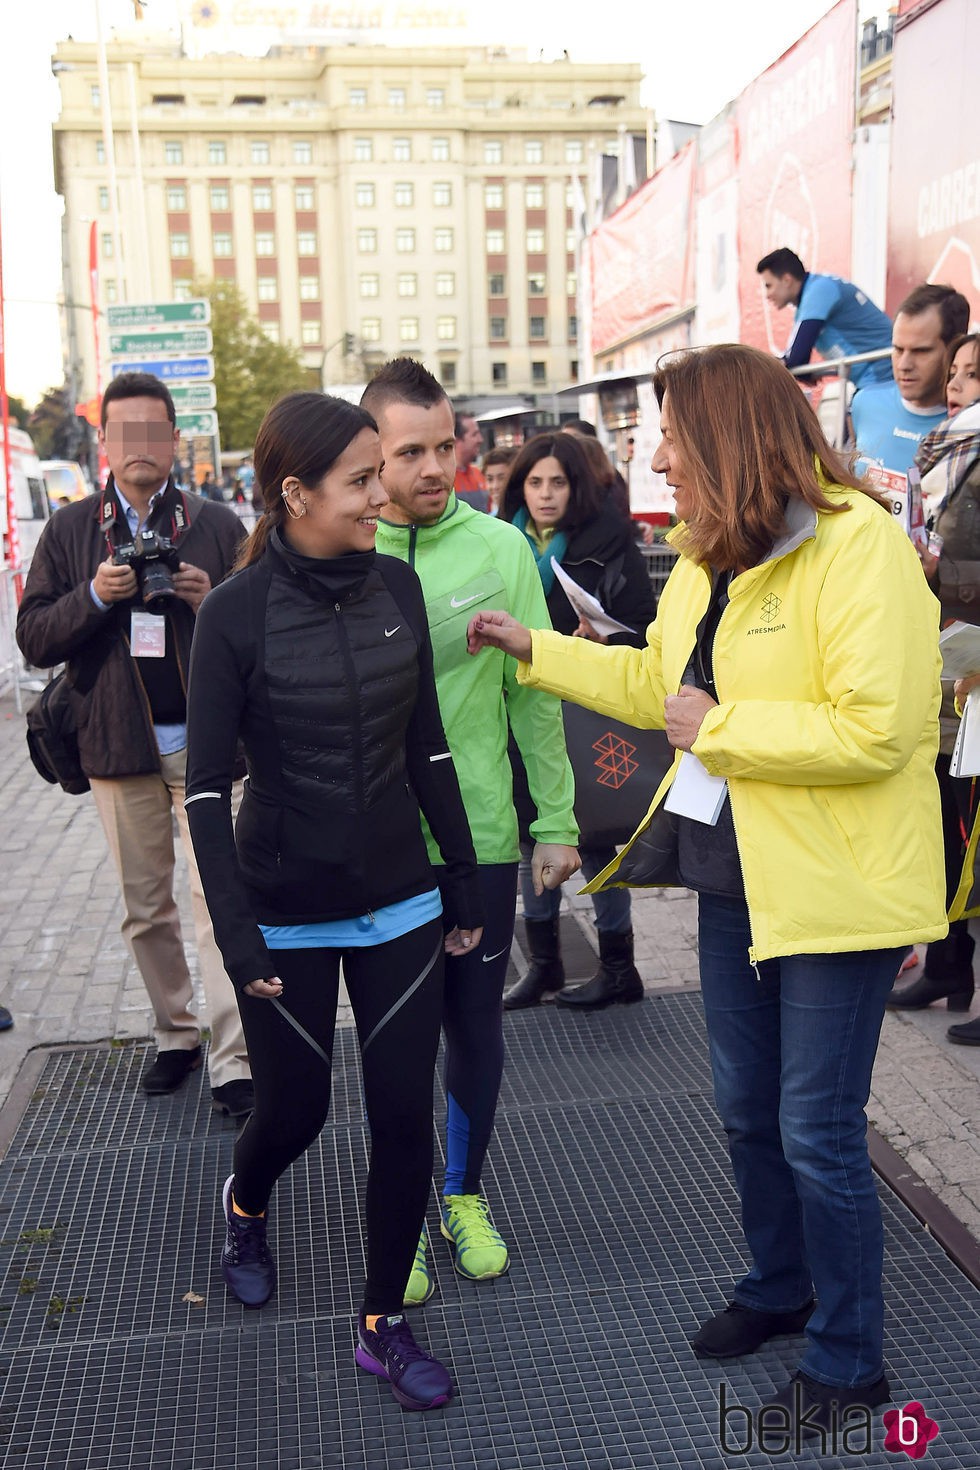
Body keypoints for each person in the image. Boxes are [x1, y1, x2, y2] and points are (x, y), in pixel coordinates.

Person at [465, 343, 947, 1437]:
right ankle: (781, 1289)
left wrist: (717, 729)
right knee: (745, 1111)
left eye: (671, 434)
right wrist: (531, 648)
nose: (656, 457)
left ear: (727, 436)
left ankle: (848, 1355)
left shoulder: (857, 549)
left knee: (814, 1127)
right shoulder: (704, 560)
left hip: (836, 889)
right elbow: (654, 684)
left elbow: (882, 731)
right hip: (737, 878)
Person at [184, 391, 483, 1412]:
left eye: (378, 475)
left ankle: (381, 1327)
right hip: (284, 908)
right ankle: (246, 1200)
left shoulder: (395, 584)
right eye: (360, 480)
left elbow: (426, 746)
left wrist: (464, 874)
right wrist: (233, 934)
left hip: (401, 897)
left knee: (402, 1116)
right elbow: (205, 789)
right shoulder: (229, 614)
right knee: (296, 1110)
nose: (381, 495)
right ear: (293, 493)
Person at [362, 359, 579, 1306]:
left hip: (482, 840)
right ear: (372, 454)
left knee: (474, 1030)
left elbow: (537, 697)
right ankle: (401, 1215)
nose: (432, 466)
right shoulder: (348, 548)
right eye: (409, 451)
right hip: (378, 848)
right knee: (393, 1041)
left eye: (443, 444)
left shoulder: (499, 548)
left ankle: (462, 1194)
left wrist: (558, 821)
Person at [16, 371, 254, 1117]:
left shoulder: (216, 523)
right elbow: (32, 638)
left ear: (174, 440)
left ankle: (234, 1056)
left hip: (211, 748)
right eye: (127, 433)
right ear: (105, 443)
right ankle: (174, 1033)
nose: (142, 446)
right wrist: (95, 596)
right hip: (119, 748)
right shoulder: (70, 530)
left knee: (221, 901)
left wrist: (208, 596)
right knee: (145, 908)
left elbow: (271, 627)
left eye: (156, 432)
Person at [498, 431, 655, 1009]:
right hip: (523, 709)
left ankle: (619, 967)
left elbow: (645, 624)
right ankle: (544, 966)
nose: (544, 494)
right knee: (532, 835)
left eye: (557, 483)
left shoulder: (610, 541)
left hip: (590, 710)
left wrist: (603, 633)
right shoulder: (501, 542)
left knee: (600, 839)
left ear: (575, 487)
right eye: (535, 482)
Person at [889, 333, 980, 1042]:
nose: (954, 383)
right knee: (949, 828)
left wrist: (933, 571)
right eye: (956, 371)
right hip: (946, 669)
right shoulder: (942, 456)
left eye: (972, 374)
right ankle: (951, 964)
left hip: (972, 663)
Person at [851, 284, 971, 478]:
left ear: (955, 348)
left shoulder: (969, 425)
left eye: (920, 351)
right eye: (898, 349)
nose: (904, 364)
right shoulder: (864, 403)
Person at [756, 247, 893, 389]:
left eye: (768, 285)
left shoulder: (819, 290)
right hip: (871, 375)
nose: (767, 294)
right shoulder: (809, 298)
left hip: (882, 373)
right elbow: (794, 361)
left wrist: (780, 365)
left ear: (786, 280)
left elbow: (796, 359)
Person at [453, 412, 490, 512]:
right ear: (457, 440)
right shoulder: (445, 479)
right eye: (474, 434)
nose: (481, 440)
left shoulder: (479, 474)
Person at [481, 446, 516, 516]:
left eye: (502, 478)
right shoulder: (490, 520)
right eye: (490, 479)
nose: (495, 486)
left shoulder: (529, 518)